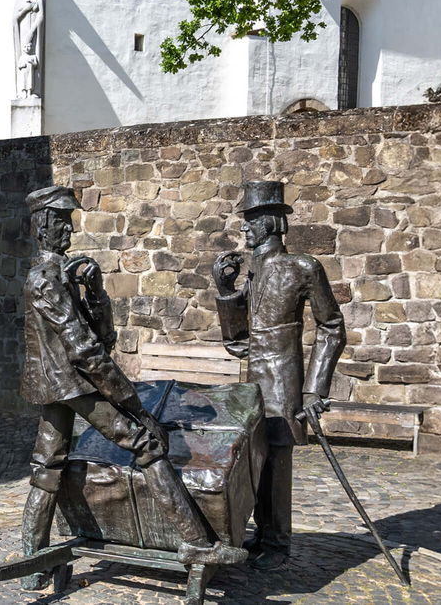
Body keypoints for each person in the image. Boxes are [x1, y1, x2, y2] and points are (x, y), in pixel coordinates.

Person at [19, 186, 245, 590]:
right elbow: (87, 350)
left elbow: (103, 338)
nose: (69, 232)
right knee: (146, 444)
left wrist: (97, 291)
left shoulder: (61, 277)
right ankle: (197, 543)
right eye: (61, 223)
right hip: (74, 384)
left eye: (68, 223)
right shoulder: (46, 280)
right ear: (43, 226)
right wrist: (131, 403)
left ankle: (34, 562)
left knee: (46, 466)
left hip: (63, 385)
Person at [213, 180, 346, 570]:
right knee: (254, 460)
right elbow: (238, 342)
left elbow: (332, 327)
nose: (244, 229)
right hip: (254, 383)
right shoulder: (252, 275)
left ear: (271, 223)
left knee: (278, 462)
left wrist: (313, 389)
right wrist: (225, 290)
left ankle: (277, 542)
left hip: (285, 381)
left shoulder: (303, 267)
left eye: (251, 220)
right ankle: (260, 532)